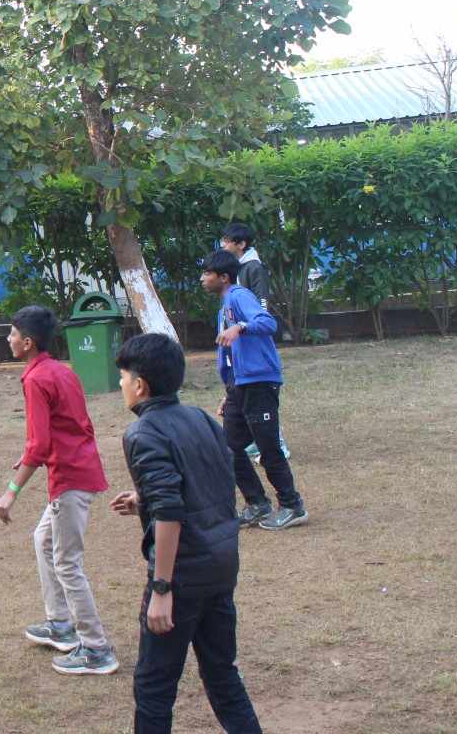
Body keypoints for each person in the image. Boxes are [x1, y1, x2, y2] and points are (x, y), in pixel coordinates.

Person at [109, 333, 262, 734]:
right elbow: (208, 484)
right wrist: (144, 499)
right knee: (222, 675)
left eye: (123, 378)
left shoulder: (142, 433)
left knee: (154, 688)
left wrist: (162, 589)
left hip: (183, 577)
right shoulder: (200, 419)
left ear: (140, 385)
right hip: (221, 567)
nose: (121, 386)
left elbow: (171, 512)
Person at [0, 306, 116, 676]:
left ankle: (96, 648)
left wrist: (11, 491)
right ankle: (60, 624)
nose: (9, 339)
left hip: (71, 479)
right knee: (43, 540)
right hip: (80, 470)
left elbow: (40, 445)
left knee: (67, 562)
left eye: (13, 333)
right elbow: (69, 428)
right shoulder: (62, 371)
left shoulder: (35, 380)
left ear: (28, 343)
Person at [201, 251, 307, 531]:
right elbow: (231, 354)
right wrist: (230, 389)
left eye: (207, 273)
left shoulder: (239, 296)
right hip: (240, 385)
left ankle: (292, 505)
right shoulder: (224, 306)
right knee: (229, 448)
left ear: (223, 277)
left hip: (259, 383)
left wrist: (241, 326)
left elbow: (268, 323)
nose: (202, 279)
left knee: (269, 448)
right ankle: (257, 503)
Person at [219, 222, 289, 462]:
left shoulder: (253, 268)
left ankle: (276, 443)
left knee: (261, 397)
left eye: (227, 241)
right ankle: (253, 441)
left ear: (241, 244)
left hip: (253, 338)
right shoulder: (236, 268)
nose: (223, 244)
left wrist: (248, 326)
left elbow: (262, 307)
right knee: (246, 399)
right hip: (241, 341)